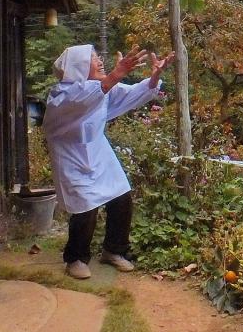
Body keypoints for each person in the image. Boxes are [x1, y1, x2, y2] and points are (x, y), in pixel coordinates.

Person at [43, 44, 175, 279]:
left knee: (121, 198)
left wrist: (154, 77)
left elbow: (132, 93)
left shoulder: (102, 88)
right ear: (79, 67)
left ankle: (113, 251)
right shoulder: (62, 96)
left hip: (99, 152)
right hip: (72, 159)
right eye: (93, 58)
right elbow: (86, 97)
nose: (100, 61)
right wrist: (116, 74)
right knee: (85, 208)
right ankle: (75, 258)